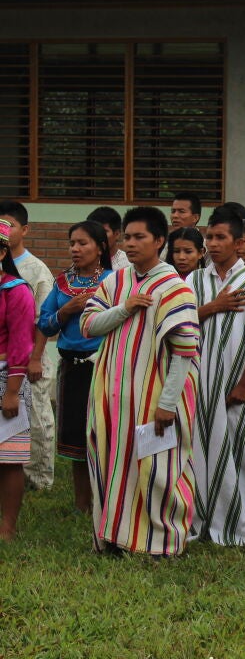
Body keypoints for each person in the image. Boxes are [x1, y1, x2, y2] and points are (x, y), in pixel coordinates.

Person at [80, 206, 200, 556]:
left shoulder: (174, 287)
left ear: (160, 240)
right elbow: (89, 325)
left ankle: (160, 543)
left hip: (153, 399)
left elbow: (184, 351)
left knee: (156, 469)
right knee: (109, 460)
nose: (130, 244)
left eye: (139, 237)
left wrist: (167, 404)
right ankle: (111, 538)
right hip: (110, 395)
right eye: (127, 237)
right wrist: (125, 308)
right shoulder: (115, 281)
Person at [188, 205, 245, 546]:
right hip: (201, 383)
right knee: (200, 453)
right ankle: (202, 521)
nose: (212, 243)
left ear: (239, 242)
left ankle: (244, 528)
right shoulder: (195, 279)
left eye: (220, 237)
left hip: (243, 385)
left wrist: (244, 382)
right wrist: (211, 308)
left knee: (244, 454)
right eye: (208, 237)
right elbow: (177, 321)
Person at [37, 221, 113, 514]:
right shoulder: (61, 284)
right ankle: (83, 504)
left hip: (104, 366)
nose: (75, 249)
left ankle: (108, 503)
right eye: (72, 243)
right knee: (78, 439)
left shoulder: (113, 281)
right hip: (71, 368)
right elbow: (44, 323)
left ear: (100, 247)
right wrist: (66, 310)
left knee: (106, 434)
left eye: (82, 243)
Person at [0, 200, 55, 492]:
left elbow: (42, 319)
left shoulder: (35, 270)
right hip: (6, 358)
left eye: (10, 226)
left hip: (30, 357)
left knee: (37, 416)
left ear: (25, 230)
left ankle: (40, 477)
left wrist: (34, 359)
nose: (5, 232)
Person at [0, 217, 35, 541]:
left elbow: (21, 344)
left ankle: (7, 528)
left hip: (5, 378)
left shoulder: (16, 290)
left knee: (9, 458)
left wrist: (12, 392)